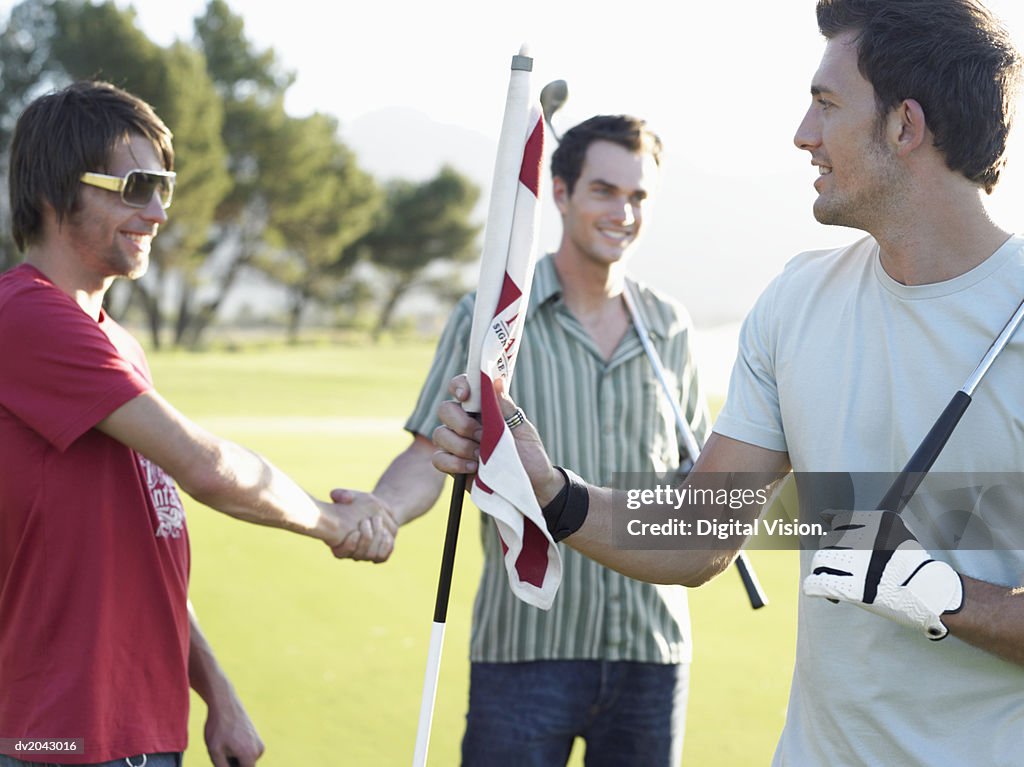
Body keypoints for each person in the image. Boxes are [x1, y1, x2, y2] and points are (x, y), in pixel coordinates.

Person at [432, 1, 1024, 764]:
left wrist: (944, 597)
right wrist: (550, 489)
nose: (803, 134)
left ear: (905, 127)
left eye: (826, 103)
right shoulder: (796, 301)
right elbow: (703, 529)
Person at [0, 81, 395, 767]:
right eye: (135, 186)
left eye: (166, 189)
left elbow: (141, 549)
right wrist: (331, 522)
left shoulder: (119, 343)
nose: (157, 212)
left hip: (143, 731)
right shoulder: (25, 317)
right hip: (52, 740)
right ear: (55, 191)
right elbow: (208, 466)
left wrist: (219, 693)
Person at [369, 115, 709, 765]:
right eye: (605, 191)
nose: (624, 212)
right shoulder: (489, 321)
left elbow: (694, 478)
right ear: (560, 192)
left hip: (651, 653)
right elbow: (429, 452)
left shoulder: (670, 325)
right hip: (524, 651)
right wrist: (382, 508)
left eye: (639, 197)